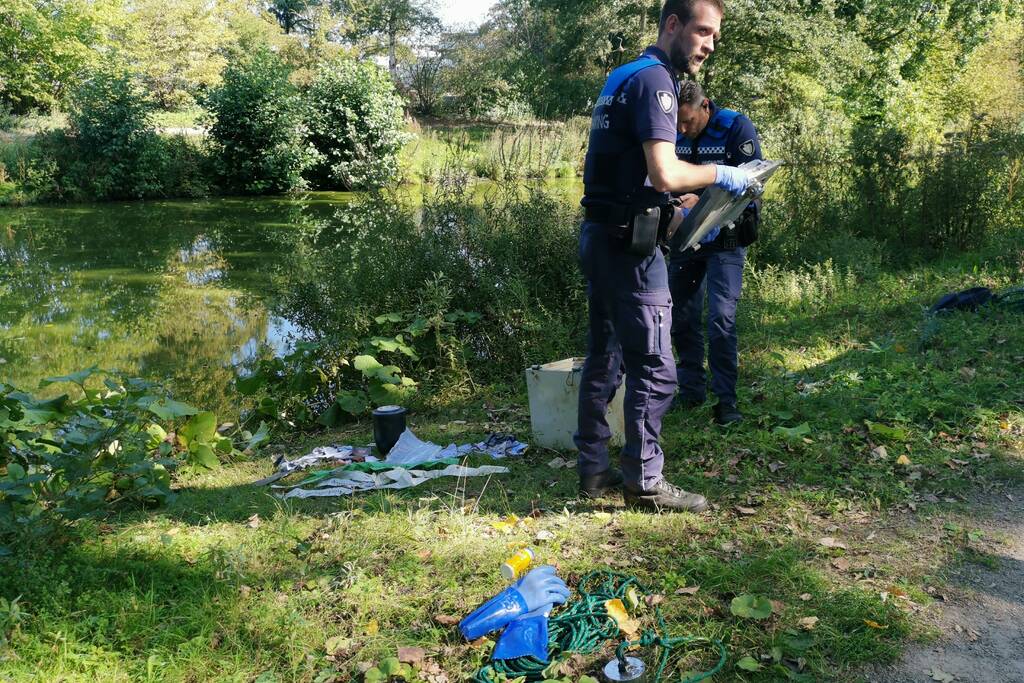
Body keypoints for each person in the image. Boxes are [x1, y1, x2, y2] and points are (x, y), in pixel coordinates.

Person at [574, 0, 752, 512]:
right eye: (702, 31)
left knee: (604, 357)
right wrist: (723, 175)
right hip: (630, 248)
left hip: (601, 235)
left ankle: (593, 471)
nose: (709, 44)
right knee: (656, 366)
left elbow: (625, 170)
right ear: (672, 24)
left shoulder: (622, 76)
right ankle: (646, 483)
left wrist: (673, 208)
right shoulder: (657, 82)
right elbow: (665, 171)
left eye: (714, 36)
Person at [669, 81, 762, 425]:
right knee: (681, 317)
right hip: (685, 238)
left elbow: (754, 184)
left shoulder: (736, 127)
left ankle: (727, 402)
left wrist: (706, 197)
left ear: (705, 106)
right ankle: (692, 391)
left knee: (720, 319)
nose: (682, 129)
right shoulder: (671, 130)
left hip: (726, 239)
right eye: (677, 123)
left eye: (688, 121)